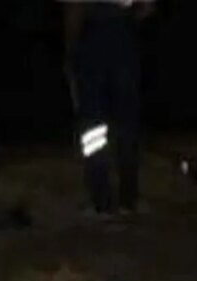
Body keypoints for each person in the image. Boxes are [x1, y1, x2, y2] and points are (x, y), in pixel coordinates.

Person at [60, 0, 154, 218]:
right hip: (123, 33)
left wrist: (71, 48)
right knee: (127, 120)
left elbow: (73, 9)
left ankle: (100, 200)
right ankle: (129, 198)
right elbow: (147, 8)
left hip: (93, 32)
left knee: (93, 123)